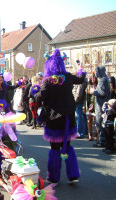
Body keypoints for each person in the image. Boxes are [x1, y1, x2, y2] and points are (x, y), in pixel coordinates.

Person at [34, 49, 86, 184]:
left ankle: (54, 177)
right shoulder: (67, 77)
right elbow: (80, 79)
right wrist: (81, 69)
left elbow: (40, 97)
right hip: (68, 118)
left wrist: (35, 91)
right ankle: (73, 175)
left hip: (53, 119)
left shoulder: (48, 80)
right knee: (67, 146)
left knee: (55, 148)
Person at [92, 66, 111, 148]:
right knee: (101, 123)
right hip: (101, 105)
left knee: (100, 123)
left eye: (96, 71)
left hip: (101, 106)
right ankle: (103, 140)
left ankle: (102, 141)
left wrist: (94, 92)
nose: (96, 73)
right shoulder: (104, 79)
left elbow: (102, 92)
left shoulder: (103, 80)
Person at [86, 73, 98, 141]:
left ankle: (96, 135)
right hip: (89, 106)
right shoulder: (89, 86)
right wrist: (85, 107)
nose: (93, 79)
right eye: (92, 78)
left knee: (96, 122)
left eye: (94, 78)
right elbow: (86, 98)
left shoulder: (98, 86)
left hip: (96, 106)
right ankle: (90, 135)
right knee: (89, 121)